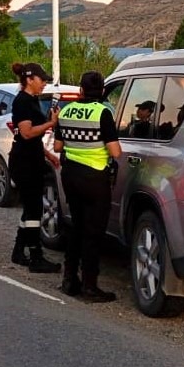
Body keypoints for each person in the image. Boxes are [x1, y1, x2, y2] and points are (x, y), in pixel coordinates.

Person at [53, 71, 122, 303]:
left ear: (81, 90)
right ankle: (90, 286)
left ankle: (69, 280)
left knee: (76, 227)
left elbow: (58, 146)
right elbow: (115, 151)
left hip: (70, 176)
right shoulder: (102, 112)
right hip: (95, 178)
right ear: (102, 90)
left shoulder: (66, 111)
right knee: (93, 233)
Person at [8, 62, 61, 273]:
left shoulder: (32, 100)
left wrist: (48, 155)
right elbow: (27, 133)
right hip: (24, 163)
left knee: (31, 208)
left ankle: (19, 250)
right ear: (29, 79)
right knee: (34, 210)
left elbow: (32, 139)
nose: (44, 83)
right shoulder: (22, 101)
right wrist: (51, 124)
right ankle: (35, 256)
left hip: (32, 158)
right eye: (42, 79)